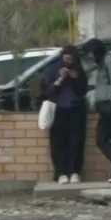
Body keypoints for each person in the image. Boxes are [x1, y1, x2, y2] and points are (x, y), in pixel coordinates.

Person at [43, 44, 89, 184]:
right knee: (58, 142)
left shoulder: (79, 70)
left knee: (76, 141)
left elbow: (83, 91)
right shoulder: (53, 69)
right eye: (66, 59)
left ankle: (74, 172)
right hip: (58, 110)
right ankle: (61, 173)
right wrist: (60, 79)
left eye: (71, 60)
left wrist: (76, 78)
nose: (68, 62)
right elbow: (48, 91)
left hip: (76, 109)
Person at [85, 38, 111, 183]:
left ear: (96, 50)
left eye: (90, 52)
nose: (89, 56)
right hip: (104, 106)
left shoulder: (109, 60)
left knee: (102, 138)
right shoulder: (100, 63)